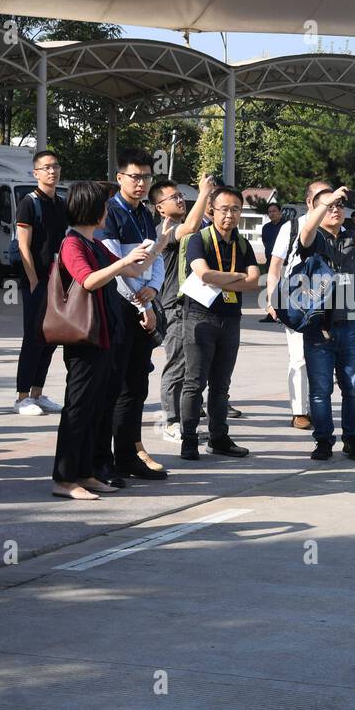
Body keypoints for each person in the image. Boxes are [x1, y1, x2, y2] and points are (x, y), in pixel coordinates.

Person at [51, 181, 151, 499]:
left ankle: (87, 472)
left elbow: (136, 269)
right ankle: (65, 478)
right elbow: (89, 280)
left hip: (104, 337)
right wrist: (122, 262)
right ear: (92, 209)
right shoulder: (73, 244)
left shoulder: (93, 243)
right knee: (78, 408)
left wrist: (165, 238)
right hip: (83, 340)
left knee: (96, 408)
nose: (108, 211)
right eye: (104, 206)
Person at [296, 179, 355, 460]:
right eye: (331, 206)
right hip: (319, 327)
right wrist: (327, 200)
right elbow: (307, 231)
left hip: (351, 325)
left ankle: (352, 440)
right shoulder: (313, 238)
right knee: (320, 390)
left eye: (340, 205)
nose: (336, 209)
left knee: (354, 388)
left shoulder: (352, 237)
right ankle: (323, 441)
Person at [98, 148, 168, 482]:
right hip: (120, 308)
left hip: (144, 307)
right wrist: (141, 304)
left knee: (136, 385)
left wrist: (153, 292)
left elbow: (157, 257)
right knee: (115, 385)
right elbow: (115, 266)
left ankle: (128, 454)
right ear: (120, 178)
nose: (141, 183)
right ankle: (108, 458)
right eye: (134, 177)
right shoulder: (110, 212)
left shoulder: (145, 214)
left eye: (146, 177)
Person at [179, 185, 261, 460]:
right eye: (224, 209)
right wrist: (236, 277)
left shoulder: (243, 244)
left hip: (230, 318)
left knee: (221, 384)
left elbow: (253, 282)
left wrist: (222, 277)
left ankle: (219, 437)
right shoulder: (198, 240)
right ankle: (188, 439)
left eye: (235, 209)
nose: (230, 215)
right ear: (212, 210)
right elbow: (202, 275)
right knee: (194, 382)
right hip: (199, 318)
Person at [149, 173, 213, 443]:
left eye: (180, 195)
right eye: (173, 197)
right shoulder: (164, 230)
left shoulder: (192, 224)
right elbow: (188, 227)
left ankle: (188, 415)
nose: (180, 199)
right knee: (177, 364)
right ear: (160, 207)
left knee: (194, 365)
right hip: (173, 305)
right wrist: (203, 193)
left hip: (195, 303)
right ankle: (170, 421)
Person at [13, 150, 68, 417]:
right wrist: (34, 281)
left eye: (55, 166)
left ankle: (37, 392)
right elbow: (23, 245)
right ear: (35, 173)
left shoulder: (61, 203)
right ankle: (22, 396)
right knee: (33, 338)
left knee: (50, 338)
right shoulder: (28, 203)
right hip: (37, 282)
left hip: (58, 282)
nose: (52, 171)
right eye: (46, 168)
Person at [265, 204, 312, 430]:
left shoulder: (337, 227)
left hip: (333, 300)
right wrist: (272, 299)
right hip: (297, 300)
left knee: (327, 359)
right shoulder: (292, 227)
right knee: (299, 357)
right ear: (310, 201)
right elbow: (275, 265)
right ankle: (300, 411)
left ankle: (317, 406)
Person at [258, 201, 284, 322]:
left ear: (280, 212)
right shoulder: (266, 227)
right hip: (270, 262)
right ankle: (271, 313)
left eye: (274, 211)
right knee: (270, 287)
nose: (271, 214)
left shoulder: (286, 226)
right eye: (269, 212)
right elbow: (265, 242)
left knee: (284, 288)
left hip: (284, 262)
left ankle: (284, 315)